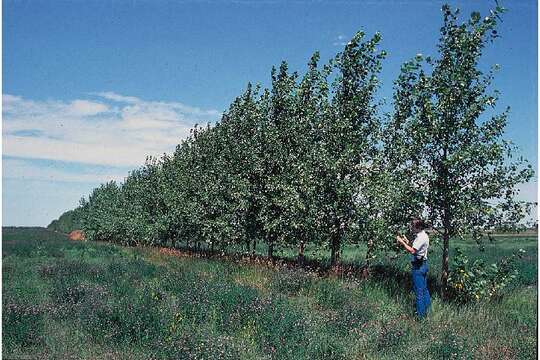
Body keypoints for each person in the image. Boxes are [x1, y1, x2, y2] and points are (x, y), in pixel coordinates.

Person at [396, 218, 431, 319]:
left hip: (418, 266)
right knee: (424, 290)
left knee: (419, 292)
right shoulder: (423, 235)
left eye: (412, 226)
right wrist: (407, 241)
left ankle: (420, 317)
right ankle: (427, 311)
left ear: (418, 227)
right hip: (423, 264)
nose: (411, 228)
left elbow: (412, 251)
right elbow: (416, 247)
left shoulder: (421, 237)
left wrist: (402, 242)